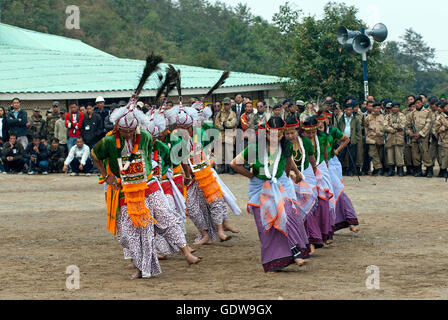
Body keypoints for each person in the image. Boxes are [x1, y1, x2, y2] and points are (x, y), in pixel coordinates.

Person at [92, 98, 200, 279]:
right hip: (126, 189)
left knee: (166, 216)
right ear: (118, 128)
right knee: (131, 232)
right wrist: (106, 175)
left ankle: (186, 252)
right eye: (124, 131)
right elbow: (95, 156)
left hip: (149, 185)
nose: (127, 135)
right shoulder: (109, 142)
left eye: (130, 131)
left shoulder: (147, 138)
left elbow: (158, 153)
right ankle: (142, 266)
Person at [230, 116, 310, 272]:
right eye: (271, 135)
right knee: (265, 223)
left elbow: (288, 162)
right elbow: (234, 163)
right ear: (265, 132)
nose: (275, 138)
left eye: (279, 135)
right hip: (259, 187)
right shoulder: (255, 147)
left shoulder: (285, 145)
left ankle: (295, 253)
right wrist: (250, 176)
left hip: (280, 183)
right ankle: (274, 261)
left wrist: (293, 174)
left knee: (287, 215)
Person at [165, 103, 238, 245]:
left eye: (186, 127)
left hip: (205, 173)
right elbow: (179, 158)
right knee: (192, 208)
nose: (184, 130)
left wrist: (203, 120)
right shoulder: (175, 136)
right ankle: (205, 234)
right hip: (190, 177)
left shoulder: (199, 131)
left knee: (216, 201)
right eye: (181, 127)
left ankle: (220, 231)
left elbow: (214, 132)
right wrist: (187, 175)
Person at [406, 96, 432, 177]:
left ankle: (429, 170)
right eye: (416, 103)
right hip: (414, 137)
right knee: (415, 155)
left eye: (419, 103)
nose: (417, 104)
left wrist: (420, 134)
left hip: (423, 137)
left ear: (422, 103)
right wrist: (410, 132)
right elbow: (407, 125)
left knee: (425, 153)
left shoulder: (427, 112)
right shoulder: (412, 113)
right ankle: (418, 171)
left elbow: (428, 125)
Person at [337, 102, 362, 176]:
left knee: (352, 156)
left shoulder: (355, 119)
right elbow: (337, 129)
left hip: (352, 139)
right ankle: (339, 171)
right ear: (345, 110)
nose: (349, 111)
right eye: (347, 110)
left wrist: (356, 139)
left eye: (351, 110)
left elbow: (358, 131)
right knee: (341, 155)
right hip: (343, 139)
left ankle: (351, 171)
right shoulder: (341, 119)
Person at [214, 97, 237, 174]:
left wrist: (224, 123)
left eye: (228, 104)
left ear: (230, 105)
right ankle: (222, 168)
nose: (226, 106)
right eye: (225, 104)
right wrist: (223, 126)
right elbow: (216, 124)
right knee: (222, 153)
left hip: (230, 135)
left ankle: (230, 168)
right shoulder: (219, 114)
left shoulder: (233, 113)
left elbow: (232, 123)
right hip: (222, 136)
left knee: (229, 152)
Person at [383, 102, 406, 176]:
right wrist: (392, 129)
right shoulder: (387, 116)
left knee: (399, 154)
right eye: (394, 107)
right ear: (391, 108)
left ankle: (400, 170)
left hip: (399, 138)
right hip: (390, 138)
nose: (395, 108)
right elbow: (385, 126)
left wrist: (392, 125)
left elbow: (402, 126)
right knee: (390, 155)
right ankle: (391, 170)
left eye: (397, 107)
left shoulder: (402, 115)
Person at [364, 103, 385, 176]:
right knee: (373, 154)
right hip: (371, 139)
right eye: (375, 108)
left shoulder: (383, 117)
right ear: (373, 108)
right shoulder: (368, 118)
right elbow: (365, 128)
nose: (377, 110)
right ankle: (379, 168)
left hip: (381, 138)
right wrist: (367, 137)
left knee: (380, 155)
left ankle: (377, 169)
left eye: (378, 108)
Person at [434, 101, 448, 178]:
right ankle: (443, 170)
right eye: (446, 106)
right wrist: (444, 128)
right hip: (444, 139)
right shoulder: (440, 117)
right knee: (444, 156)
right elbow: (436, 129)